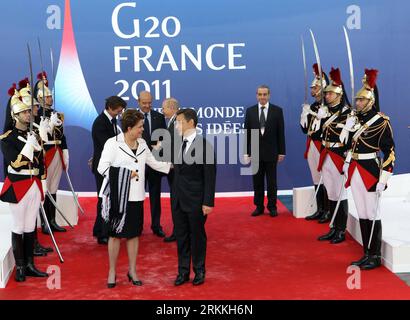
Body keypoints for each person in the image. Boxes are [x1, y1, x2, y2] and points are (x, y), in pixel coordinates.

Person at [98, 109, 171, 288]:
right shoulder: (112, 143)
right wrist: (124, 174)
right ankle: (112, 271)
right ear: (129, 128)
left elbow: (153, 163)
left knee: (133, 235)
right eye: (139, 127)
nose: (142, 130)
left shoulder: (143, 143)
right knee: (115, 236)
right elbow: (102, 167)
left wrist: (175, 165)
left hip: (136, 197)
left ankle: (132, 270)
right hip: (117, 197)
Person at [343, 69, 394, 270]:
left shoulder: (381, 122)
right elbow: (348, 144)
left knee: (372, 212)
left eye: (361, 100)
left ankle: (375, 255)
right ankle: (366, 252)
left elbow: (390, 151)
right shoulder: (356, 120)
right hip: (355, 168)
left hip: (370, 170)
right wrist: (347, 128)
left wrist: (384, 177)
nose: (357, 103)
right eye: (357, 100)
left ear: (371, 101)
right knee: (362, 212)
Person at [0, 86, 48, 282]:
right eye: (25, 112)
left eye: (29, 111)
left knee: (30, 226)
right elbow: (16, 163)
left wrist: (38, 140)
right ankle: (20, 266)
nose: (29, 114)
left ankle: (30, 264)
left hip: (33, 183)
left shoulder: (34, 133)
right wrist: (29, 145)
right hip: (18, 185)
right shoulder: (7, 138)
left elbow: (40, 160)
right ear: (15, 115)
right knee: (19, 226)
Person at [172, 108, 216, 286]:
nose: (177, 126)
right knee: (181, 236)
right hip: (178, 200)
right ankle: (183, 272)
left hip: (197, 201)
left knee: (197, 236)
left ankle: (199, 270)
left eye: (179, 122)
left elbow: (210, 176)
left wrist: (208, 202)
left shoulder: (205, 146)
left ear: (190, 123)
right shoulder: (176, 144)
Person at [316, 68, 351, 244]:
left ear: (338, 95)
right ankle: (333, 227)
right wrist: (319, 119)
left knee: (340, 194)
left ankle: (341, 230)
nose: (326, 96)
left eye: (329, 94)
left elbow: (351, 139)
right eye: (326, 94)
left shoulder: (348, 113)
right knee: (331, 193)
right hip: (327, 155)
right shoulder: (327, 112)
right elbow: (319, 134)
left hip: (338, 156)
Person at [33, 72, 69, 234]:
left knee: (53, 187)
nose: (50, 99)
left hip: (57, 152)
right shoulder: (37, 115)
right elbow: (42, 137)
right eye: (47, 97)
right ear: (40, 98)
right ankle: (45, 222)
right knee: (45, 187)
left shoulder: (57, 113)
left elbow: (62, 135)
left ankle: (52, 220)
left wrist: (66, 152)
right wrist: (49, 126)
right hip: (45, 153)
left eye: (50, 96)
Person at [243, 85, 286, 217]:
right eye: (260, 94)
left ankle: (272, 207)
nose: (262, 97)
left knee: (272, 182)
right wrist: (246, 152)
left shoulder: (277, 111)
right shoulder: (250, 111)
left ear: (269, 95)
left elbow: (281, 133)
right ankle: (259, 206)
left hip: (272, 152)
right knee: (257, 182)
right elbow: (247, 134)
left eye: (265, 94)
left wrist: (281, 152)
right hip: (255, 153)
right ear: (256, 95)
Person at [91, 96, 127, 245]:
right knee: (104, 199)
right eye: (119, 108)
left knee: (109, 199)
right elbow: (107, 144)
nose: (121, 111)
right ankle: (102, 233)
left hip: (110, 166)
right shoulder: (100, 123)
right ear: (111, 107)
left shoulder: (112, 121)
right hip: (103, 167)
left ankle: (100, 229)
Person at [300, 64, 331, 222]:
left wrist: (321, 117)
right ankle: (320, 209)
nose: (312, 90)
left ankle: (328, 211)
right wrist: (305, 116)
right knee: (316, 177)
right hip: (312, 144)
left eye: (315, 87)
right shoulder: (313, 106)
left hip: (322, 145)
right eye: (312, 88)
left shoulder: (328, 107)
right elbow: (305, 130)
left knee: (325, 178)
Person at [138, 91, 167, 237]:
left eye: (149, 102)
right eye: (144, 103)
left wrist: (156, 147)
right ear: (139, 102)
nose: (147, 105)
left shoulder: (159, 117)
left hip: (155, 164)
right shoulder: (132, 118)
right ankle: (137, 226)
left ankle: (156, 226)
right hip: (138, 165)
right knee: (137, 197)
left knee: (155, 197)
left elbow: (163, 137)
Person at [160, 97, 180, 243]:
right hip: (172, 167)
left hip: (177, 168)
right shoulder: (172, 122)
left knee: (177, 201)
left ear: (172, 108)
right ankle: (179, 230)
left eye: (164, 108)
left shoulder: (178, 122)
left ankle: (178, 232)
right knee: (176, 200)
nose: (162, 111)